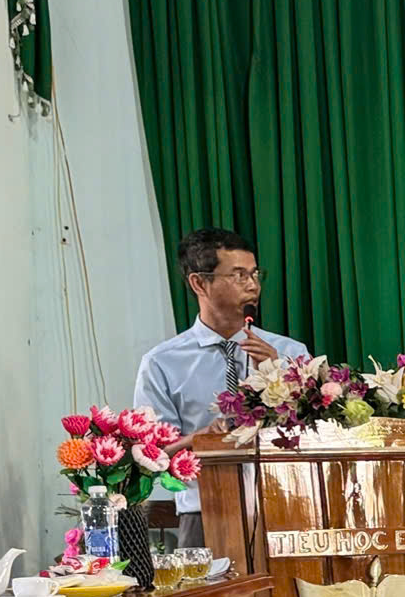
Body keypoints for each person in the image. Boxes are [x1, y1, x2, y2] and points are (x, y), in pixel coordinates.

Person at [132, 228, 309, 547]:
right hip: (205, 516)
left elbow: (317, 436)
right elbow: (151, 456)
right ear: (199, 283)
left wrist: (278, 378)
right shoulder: (162, 362)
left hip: (287, 511)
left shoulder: (290, 353)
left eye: (255, 274)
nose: (253, 285)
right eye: (239, 275)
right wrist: (202, 439)